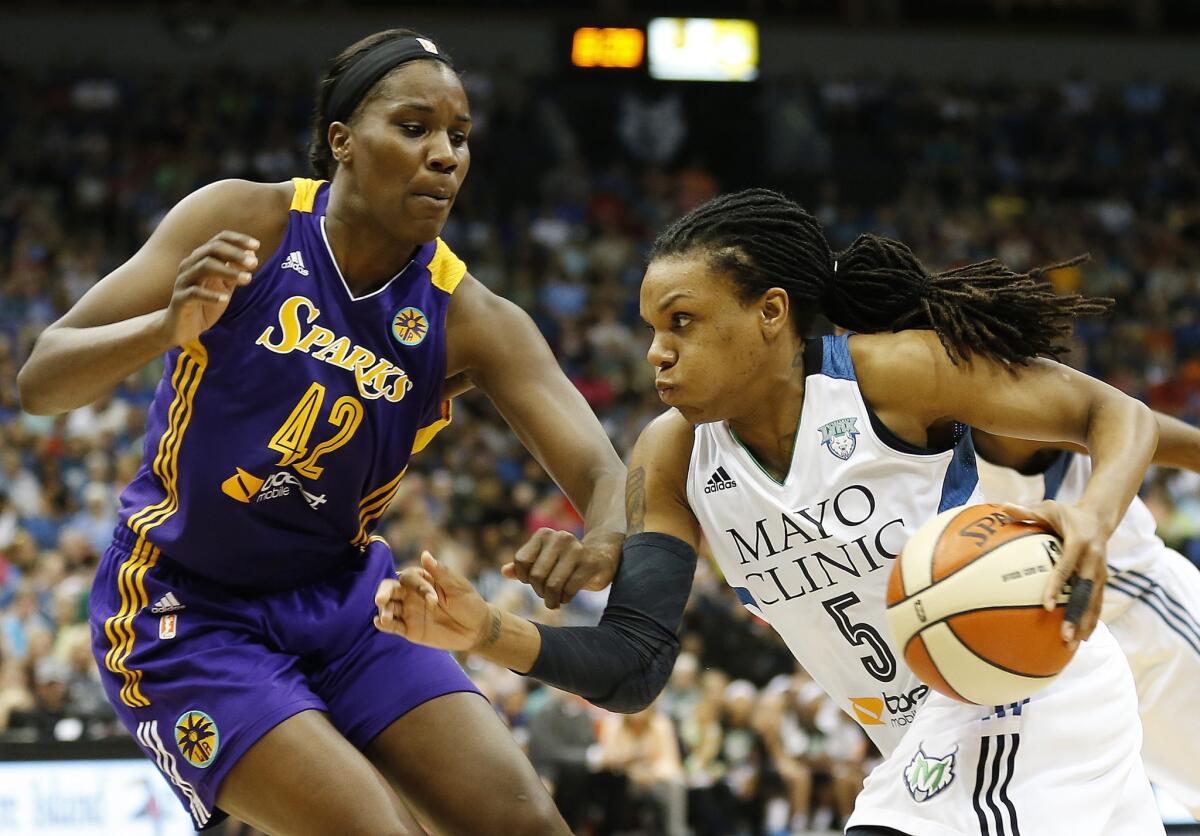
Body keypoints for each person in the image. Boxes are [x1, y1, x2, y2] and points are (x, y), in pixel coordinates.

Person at [376, 188, 1169, 835]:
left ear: (771, 312)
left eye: (682, 322)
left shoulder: (890, 376)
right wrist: (486, 634)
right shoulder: (674, 452)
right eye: (652, 328)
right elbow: (634, 665)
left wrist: (1095, 515)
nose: (656, 350)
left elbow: (1115, 415)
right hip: (918, 739)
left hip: (1018, 688)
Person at [17, 28, 627, 835]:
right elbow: (41, 378)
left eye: (458, 135)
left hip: (346, 605)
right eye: (414, 127)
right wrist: (166, 327)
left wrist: (603, 536)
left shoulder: (471, 316)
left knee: (531, 828)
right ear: (341, 142)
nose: (444, 154)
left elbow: (604, 473)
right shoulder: (247, 219)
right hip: (182, 607)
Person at [974, 428, 1200, 820]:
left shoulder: (1016, 395)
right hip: (1070, 654)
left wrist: (1095, 516)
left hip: (1146, 616)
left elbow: (1135, 424)